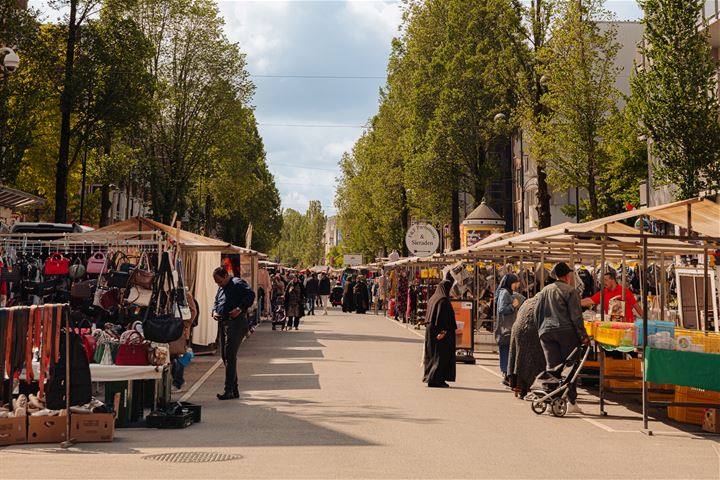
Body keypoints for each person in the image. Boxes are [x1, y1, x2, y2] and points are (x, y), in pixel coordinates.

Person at [534, 262, 588, 414]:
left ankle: (553, 400)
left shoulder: (545, 290)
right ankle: (571, 401)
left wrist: (540, 330)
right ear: (567, 276)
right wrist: (583, 336)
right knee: (570, 367)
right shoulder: (571, 291)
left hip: (546, 332)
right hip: (566, 332)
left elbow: (537, 312)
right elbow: (576, 317)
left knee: (552, 368)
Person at [212, 267, 255, 400]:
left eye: (220, 282)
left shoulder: (237, 283)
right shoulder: (221, 287)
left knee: (230, 356)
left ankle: (229, 390)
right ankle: (233, 389)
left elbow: (250, 295)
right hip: (224, 323)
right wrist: (214, 311)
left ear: (226, 276)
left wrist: (239, 308)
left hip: (236, 324)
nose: (219, 285)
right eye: (217, 283)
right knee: (226, 357)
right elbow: (216, 301)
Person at [423, 273, 458, 388]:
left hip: (431, 332)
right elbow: (443, 320)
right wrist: (443, 333)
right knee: (441, 356)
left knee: (432, 355)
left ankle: (431, 377)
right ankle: (437, 379)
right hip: (440, 333)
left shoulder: (433, 298)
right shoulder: (443, 300)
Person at [507, 296, 545, 399]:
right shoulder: (546, 302)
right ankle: (533, 388)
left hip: (517, 329)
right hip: (530, 330)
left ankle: (521, 389)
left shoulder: (529, 301)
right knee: (535, 360)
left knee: (520, 360)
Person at [495, 273, 523, 381]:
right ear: (511, 283)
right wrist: (513, 306)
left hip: (507, 327)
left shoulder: (506, 292)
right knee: (506, 351)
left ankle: (507, 374)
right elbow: (502, 309)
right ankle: (506, 374)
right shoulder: (505, 293)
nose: (517, 285)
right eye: (516, 283)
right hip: (505, 329)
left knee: (508, 351)